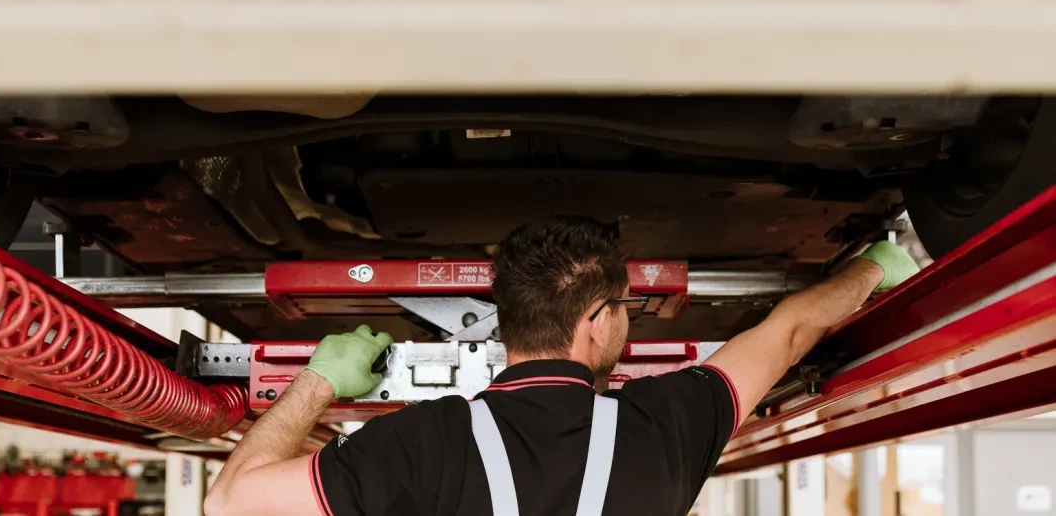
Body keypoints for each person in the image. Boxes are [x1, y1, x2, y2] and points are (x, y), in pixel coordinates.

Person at [206, 216, 918, 516]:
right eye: (626, 307)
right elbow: (792, 330)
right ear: (596, 319)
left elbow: (230, 501)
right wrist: (873, 267)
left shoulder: (419, 444)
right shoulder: (667, 425)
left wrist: (321, 379)